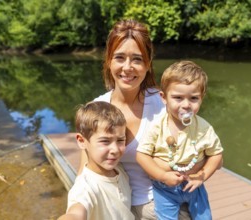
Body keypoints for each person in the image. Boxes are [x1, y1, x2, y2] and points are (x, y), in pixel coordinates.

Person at [79, 19, 211, 219]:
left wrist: (169, 169)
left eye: (137, 59)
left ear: (148, 64)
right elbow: (84, 171)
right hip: (117, 207)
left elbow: (209, 152)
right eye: (120, 57)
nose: (128, 67)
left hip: (162, 203)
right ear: (108, 60)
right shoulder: (95, 110)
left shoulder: (165, 104)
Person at [136, 60, 224, 220]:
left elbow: (216, 155)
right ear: (163, 98)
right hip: (164, 188)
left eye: (193, 98)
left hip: (194, 186)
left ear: (202, 98)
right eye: (178, 97)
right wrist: (162, 175)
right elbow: (142, 155)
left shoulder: (203, 128)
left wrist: (202, 175)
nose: (186, 105)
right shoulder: (157, 126)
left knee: (205, 217)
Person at [59, 101, 134, 220]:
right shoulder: (85, 188)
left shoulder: (119, 170)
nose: (115, 149)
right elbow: (76, 213)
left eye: (120, 140)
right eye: (105, 141)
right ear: (82, 141)